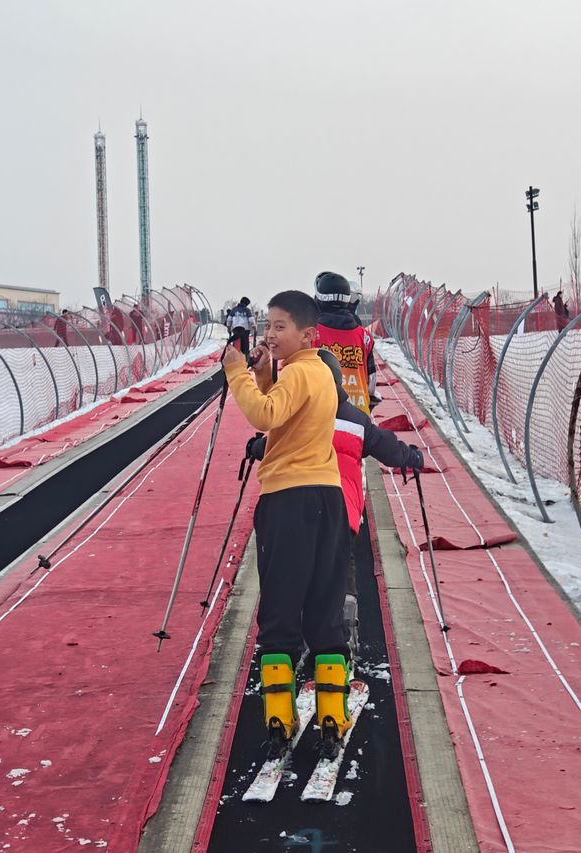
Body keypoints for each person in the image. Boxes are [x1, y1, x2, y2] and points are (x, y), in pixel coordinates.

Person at [222, 290, 353, 756]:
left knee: (280, 611)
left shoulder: (298, 371)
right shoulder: (317, 372)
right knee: (324, 608)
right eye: (267, 325)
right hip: (327, 496)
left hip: (288, 500)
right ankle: (333, 718)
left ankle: (279, 718)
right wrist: (260, 373)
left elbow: (266, 413)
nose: (271, 334)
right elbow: (287, 414)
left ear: (307, 334)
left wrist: (236, 372)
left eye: (281, 327)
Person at [249, 349, 424, 657]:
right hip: (342, 510)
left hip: (297, 503)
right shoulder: (357, 421)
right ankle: (342, 630)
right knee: (339, 568)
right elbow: (389, 449)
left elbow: (270, 446)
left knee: (295, 568)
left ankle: (292, 640)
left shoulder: (295, 418)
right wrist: (411, 456)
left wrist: (255, 447)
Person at [314, 272, 377, 415]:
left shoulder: (310, 333)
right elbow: (371, 380)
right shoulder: (364, 336)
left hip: (323, 417)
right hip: (359, 416)